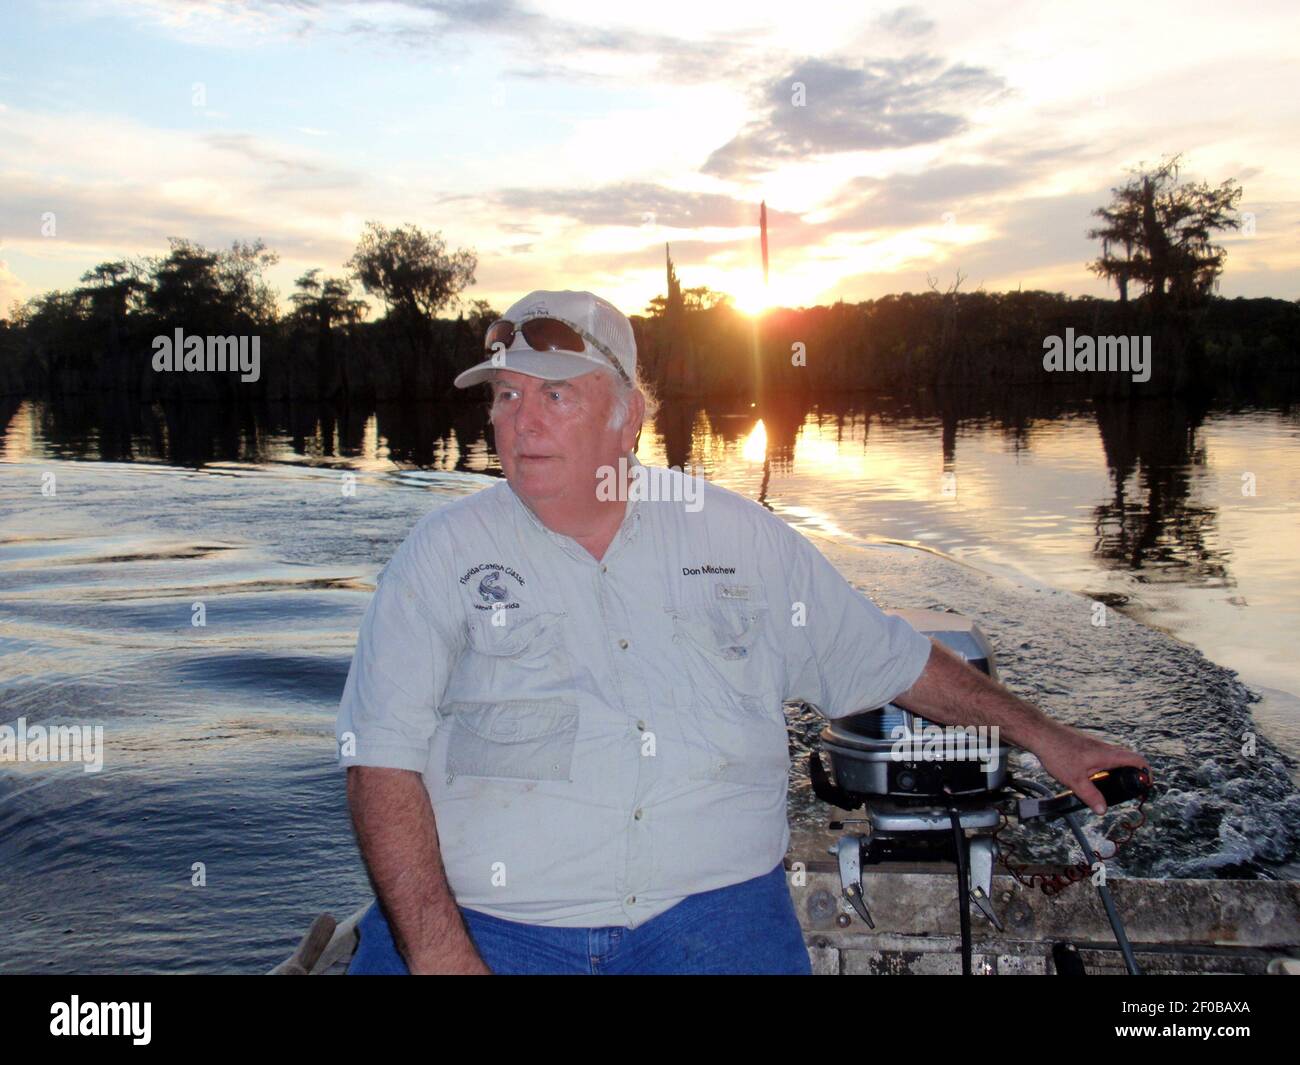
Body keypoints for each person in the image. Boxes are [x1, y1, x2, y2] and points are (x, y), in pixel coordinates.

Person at [336, 289, 1149, 975]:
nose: (521, 422)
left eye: (555, 395)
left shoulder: (740, 539)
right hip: (494, 919)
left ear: (627, 418)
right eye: (506, 396)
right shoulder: (441, 554)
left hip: (711, 915)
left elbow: (891, 659)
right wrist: (444, 958)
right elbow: (380, 759)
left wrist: (1051, 739)